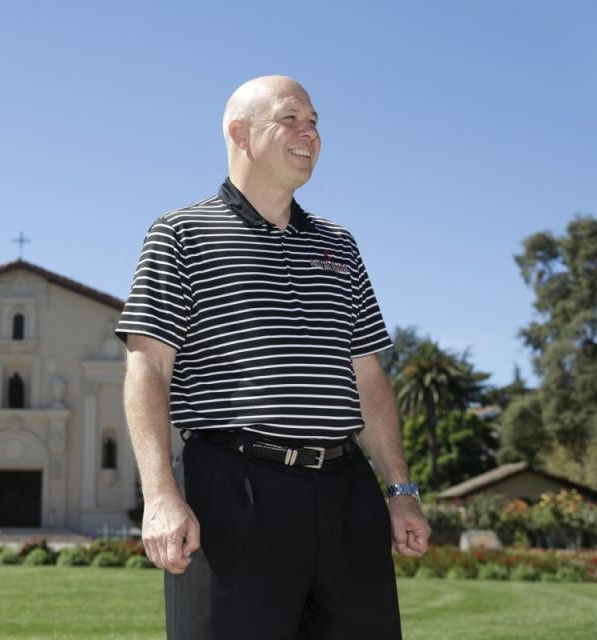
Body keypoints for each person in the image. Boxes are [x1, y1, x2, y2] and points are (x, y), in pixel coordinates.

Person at [115, 75, 431, 639]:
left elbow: (368, 375)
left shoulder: (340, 244)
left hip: (346, 495)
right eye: (292, 118)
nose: (310, 132)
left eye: (315, 121)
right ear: (240, 133)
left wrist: (400, 492)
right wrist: (160, 497)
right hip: (233, 494)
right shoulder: (179, 233)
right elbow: (147, 368)